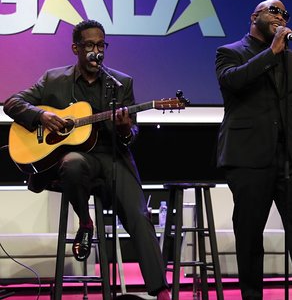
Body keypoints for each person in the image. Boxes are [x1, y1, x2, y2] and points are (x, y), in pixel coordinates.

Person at [3, 20, 171, 300]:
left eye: (101, 45)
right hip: (79, 160)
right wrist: (41, 116)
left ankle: (160, 290)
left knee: (140, 216)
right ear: (76, 48)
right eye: (90, 45)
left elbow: (133, 136)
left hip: (113, 157)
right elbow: (13, 102)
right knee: (71, 162)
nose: (97, 51)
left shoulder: (121, 83)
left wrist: (124, 128)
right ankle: (85, 221)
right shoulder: (54, 79)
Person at [215, 0, 292, 300]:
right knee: (250, 235)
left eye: (284, 13)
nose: (280, 16)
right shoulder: (230, 53)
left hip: (291, 158)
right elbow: (233, 83)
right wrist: (271, 53)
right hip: (248, 157)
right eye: (273, 11)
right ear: (254, 16)